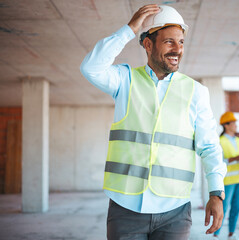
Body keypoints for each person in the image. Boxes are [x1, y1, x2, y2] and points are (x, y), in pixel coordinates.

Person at [80, 4, 227, 240]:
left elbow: (210, 147)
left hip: (175, 211)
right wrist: (129, 30)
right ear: (148, 44)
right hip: (125, 208)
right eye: (169, 42)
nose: (177, 49)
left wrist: (216, 193)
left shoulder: (196, 91)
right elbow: (90, 68)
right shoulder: (124, 80)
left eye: (181, 42)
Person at [213, 112, 239, 240]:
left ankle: (232, 234)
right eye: (234, 123)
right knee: (223, 208)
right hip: (227, 181)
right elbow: (219, 161)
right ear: (226, 125)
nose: (236, 125)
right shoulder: (220, 141)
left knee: (236, 208)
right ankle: (216, 234)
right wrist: (234, 159)